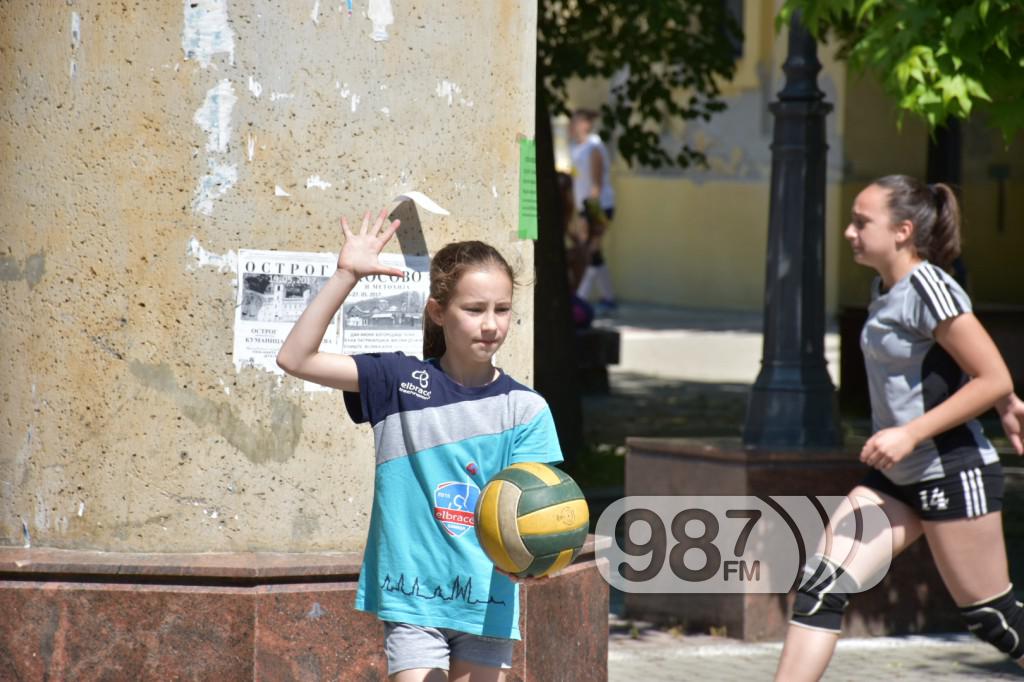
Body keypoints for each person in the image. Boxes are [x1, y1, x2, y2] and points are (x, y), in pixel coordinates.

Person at [277, 210, 564, 681]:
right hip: (413, 600)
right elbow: (295, 357)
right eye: (474, 310)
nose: (490, 324)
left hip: (486, 599)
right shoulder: (398, 381)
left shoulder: (526, 410)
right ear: (438, 311)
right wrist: (347, 274)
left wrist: (536, 559)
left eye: (502, 309)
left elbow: (537, 509)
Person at [773, 175, 1024, 680]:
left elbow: (992, 373)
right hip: (897, 477)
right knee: (822, 585)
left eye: (862, 222)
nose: (849, 232)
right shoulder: (884, 289)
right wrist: (1006, 405)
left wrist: (913, 431)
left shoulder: (929, 287)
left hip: (952, 470)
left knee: (992, 617)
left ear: (903, 230)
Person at [569, 109, 617, 313]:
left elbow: (596, 185)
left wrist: (589, 215)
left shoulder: (594, 146)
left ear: (585, 124)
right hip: (585, 208)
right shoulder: (577, 148)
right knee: (594, 251)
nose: (571, 126)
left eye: (575, 121)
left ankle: (580, 299)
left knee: (589, 250)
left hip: (599, 207)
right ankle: (609, 298)